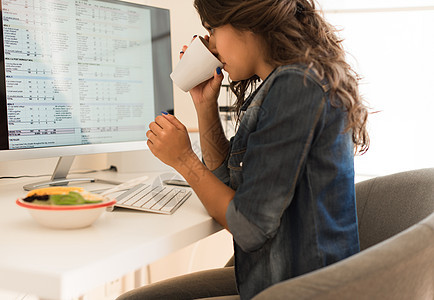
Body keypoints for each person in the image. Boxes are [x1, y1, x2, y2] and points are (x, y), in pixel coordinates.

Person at [117, 0, 369, 299]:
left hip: (300, 290)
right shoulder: (282, 83)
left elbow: (248, 227)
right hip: (280, 277)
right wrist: (204, 105)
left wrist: (184, 160)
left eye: (211, 29)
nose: (209, 43)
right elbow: (230, 189)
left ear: (247, 23)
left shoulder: (295, 86)